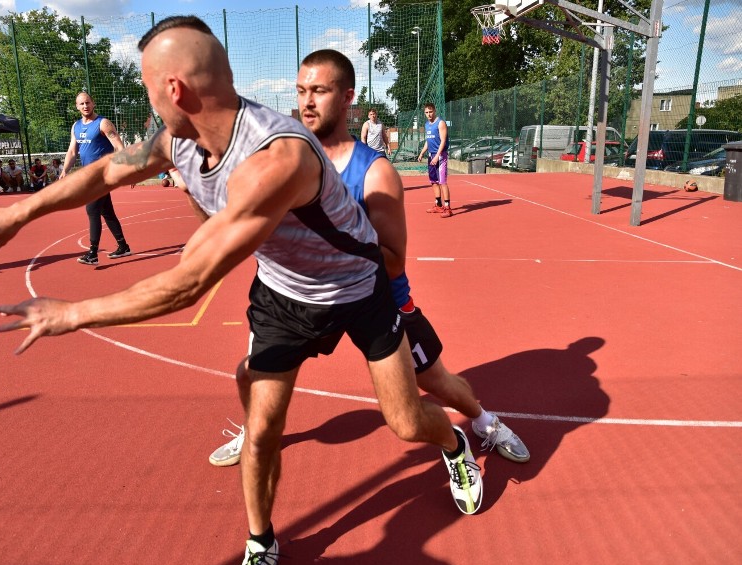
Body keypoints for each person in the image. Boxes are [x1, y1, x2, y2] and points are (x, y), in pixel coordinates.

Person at [0, 17, 480, 565]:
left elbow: (191, 281)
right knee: (262, 429)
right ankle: (261, 539)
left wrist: (72, 312)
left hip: (355, 288)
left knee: (407, 422)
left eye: (150, 91)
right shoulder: (179, 139)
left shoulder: (276, 159)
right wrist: (17, 211)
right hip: (284, 295)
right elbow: (105, 173)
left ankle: (455, 446)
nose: (151, 105)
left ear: (174, 89)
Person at [211, 49, 528, 469]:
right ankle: (255, 433)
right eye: (301, 91)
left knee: (434, 382)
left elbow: (393, 261)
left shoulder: (373, 172)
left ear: (347, 98)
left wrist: (318, 240)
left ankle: (484, 422)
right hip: (303, 301)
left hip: (378, 299)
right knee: (252, 373)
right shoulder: (280, 159)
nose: (307, 101)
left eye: (319, 91)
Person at [62, 91, 131, 265]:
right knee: (106, 211)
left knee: (92, 210)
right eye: (81, 104)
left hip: (102, 175)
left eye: (88, 103)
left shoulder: (103, 123)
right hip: (88, 175)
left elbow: (118, 145)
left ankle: (92, 253)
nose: (85, 106)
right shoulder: (76, 126)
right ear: (77, 106)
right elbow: (72, 151)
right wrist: (64, 171)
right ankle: (123, 246)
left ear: (93, 103)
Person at [416, 102, 453, 218]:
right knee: (433, 181)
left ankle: (448, 208)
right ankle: (438, 205)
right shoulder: (427, 125)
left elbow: (442, 141)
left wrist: (437, 155)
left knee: (442, 182)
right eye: (426, 112)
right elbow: (428, 141)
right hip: (431, 155)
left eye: (430, 112)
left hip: (441, 156)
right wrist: (422, 153)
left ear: (435, 111)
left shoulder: (440, 123)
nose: (429, 114)